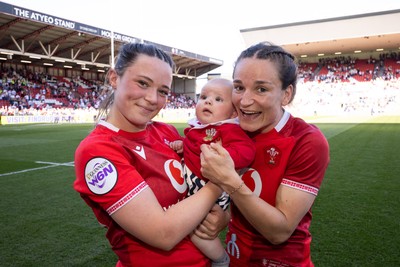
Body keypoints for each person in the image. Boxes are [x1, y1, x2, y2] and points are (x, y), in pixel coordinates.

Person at [73, 42, 228, 267]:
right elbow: (162, 234)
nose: (153, 99)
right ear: (114, 78)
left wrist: (224, 217)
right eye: (143, 83)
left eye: (163, 91)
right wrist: (219, 184)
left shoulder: (168, 133)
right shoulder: (97, 151)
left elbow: (201, 195)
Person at [199, 42, 330, 267]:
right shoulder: (230, 130)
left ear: (286, 94)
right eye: (239, 87)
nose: (245, 101)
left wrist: (229, 180)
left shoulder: (306, 140)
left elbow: (279, 231)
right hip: (234, 258)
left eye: (261, 89)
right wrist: (225, 216)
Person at [170, 78, 256, 267]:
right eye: (204, 97)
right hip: (195, 188)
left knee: (197, 230)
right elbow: (193, 146)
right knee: (187, 225)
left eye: (218, 99)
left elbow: (247, 150)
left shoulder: (228, 129)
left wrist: (226, 157)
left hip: (212, 191)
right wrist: (182, 144)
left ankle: (221, 259)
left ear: (233, 112)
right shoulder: (197, 130)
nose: (208, 101)